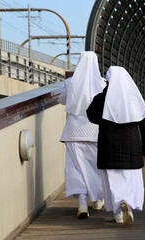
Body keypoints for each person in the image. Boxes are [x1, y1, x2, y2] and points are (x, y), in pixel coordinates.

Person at [86, 66, 145, 225]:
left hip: (108, 145)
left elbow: (91, 116)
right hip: (132, 146)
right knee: (130, 179)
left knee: (112, 180)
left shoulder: (101, 99)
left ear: (108, 81)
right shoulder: (135, 98)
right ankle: (127, 205)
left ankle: (118, 212)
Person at [58, 51, 106, 218]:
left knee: (75, 168)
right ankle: (98, 200)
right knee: (95, 167)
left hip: (73, 132)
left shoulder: (70, 82)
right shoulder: (102, 83)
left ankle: (82, 204)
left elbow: (62, 100)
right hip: (95, 132)